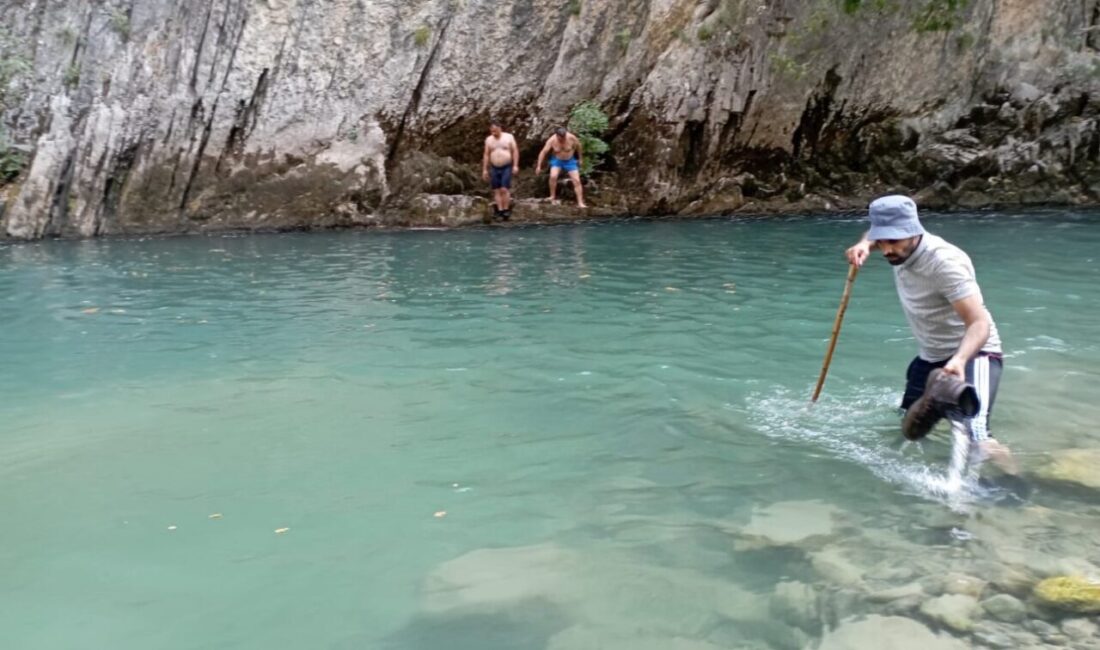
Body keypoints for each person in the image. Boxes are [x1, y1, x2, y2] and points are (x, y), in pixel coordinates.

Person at [845, 195, 1013, 468]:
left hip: (974, 353)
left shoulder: (944, 263)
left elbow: (979, 322)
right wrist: (864, 244)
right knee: (908, 424)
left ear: (913, 230)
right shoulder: (895, 245)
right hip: (930, 356)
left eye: (894, 241)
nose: (887, 250)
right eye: (882, 240)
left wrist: (958, 361)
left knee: (978, 435)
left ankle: (1013, 484)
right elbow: (877, 235)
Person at [535, 127, 586, 208]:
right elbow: (543, 152)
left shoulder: (571, 138)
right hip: (557, 160)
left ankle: (580, 202)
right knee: (553, 176)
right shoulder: (551, 140)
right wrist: (538, 166)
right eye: (560, 138)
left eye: (564, 137)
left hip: (570, 161)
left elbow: (579, 147)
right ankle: (552, 196)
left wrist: (580, 159)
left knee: (576, 180)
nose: (562, 139)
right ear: (557, 135)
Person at [482, 120, 519, 220]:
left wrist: (515, 165)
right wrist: (485, 169)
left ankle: (506, 209)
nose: (493, 132)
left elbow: (515, 151)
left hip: (506, 166)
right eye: (491, 131)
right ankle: (500, 210)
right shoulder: (489, 140)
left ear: (500, 128)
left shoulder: (509, 137)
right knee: (496, 190)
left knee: (504, 189)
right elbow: (486, 154)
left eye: (495, 130)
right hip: (494, 167)